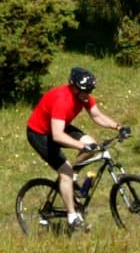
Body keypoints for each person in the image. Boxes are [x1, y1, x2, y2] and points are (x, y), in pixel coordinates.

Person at [25, 64, 125, 228]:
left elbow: (96, 115)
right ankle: (72, 216)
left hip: (58, 126)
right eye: (85, 91)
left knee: (91, 144)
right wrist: (81, 146)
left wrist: (118, 127)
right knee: (65, 173)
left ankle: (74, 175)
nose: (88, 95)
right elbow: (57, 136)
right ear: (74, 88)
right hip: (39, 134)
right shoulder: (62, 100)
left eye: (90, 91)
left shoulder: (83, 95)